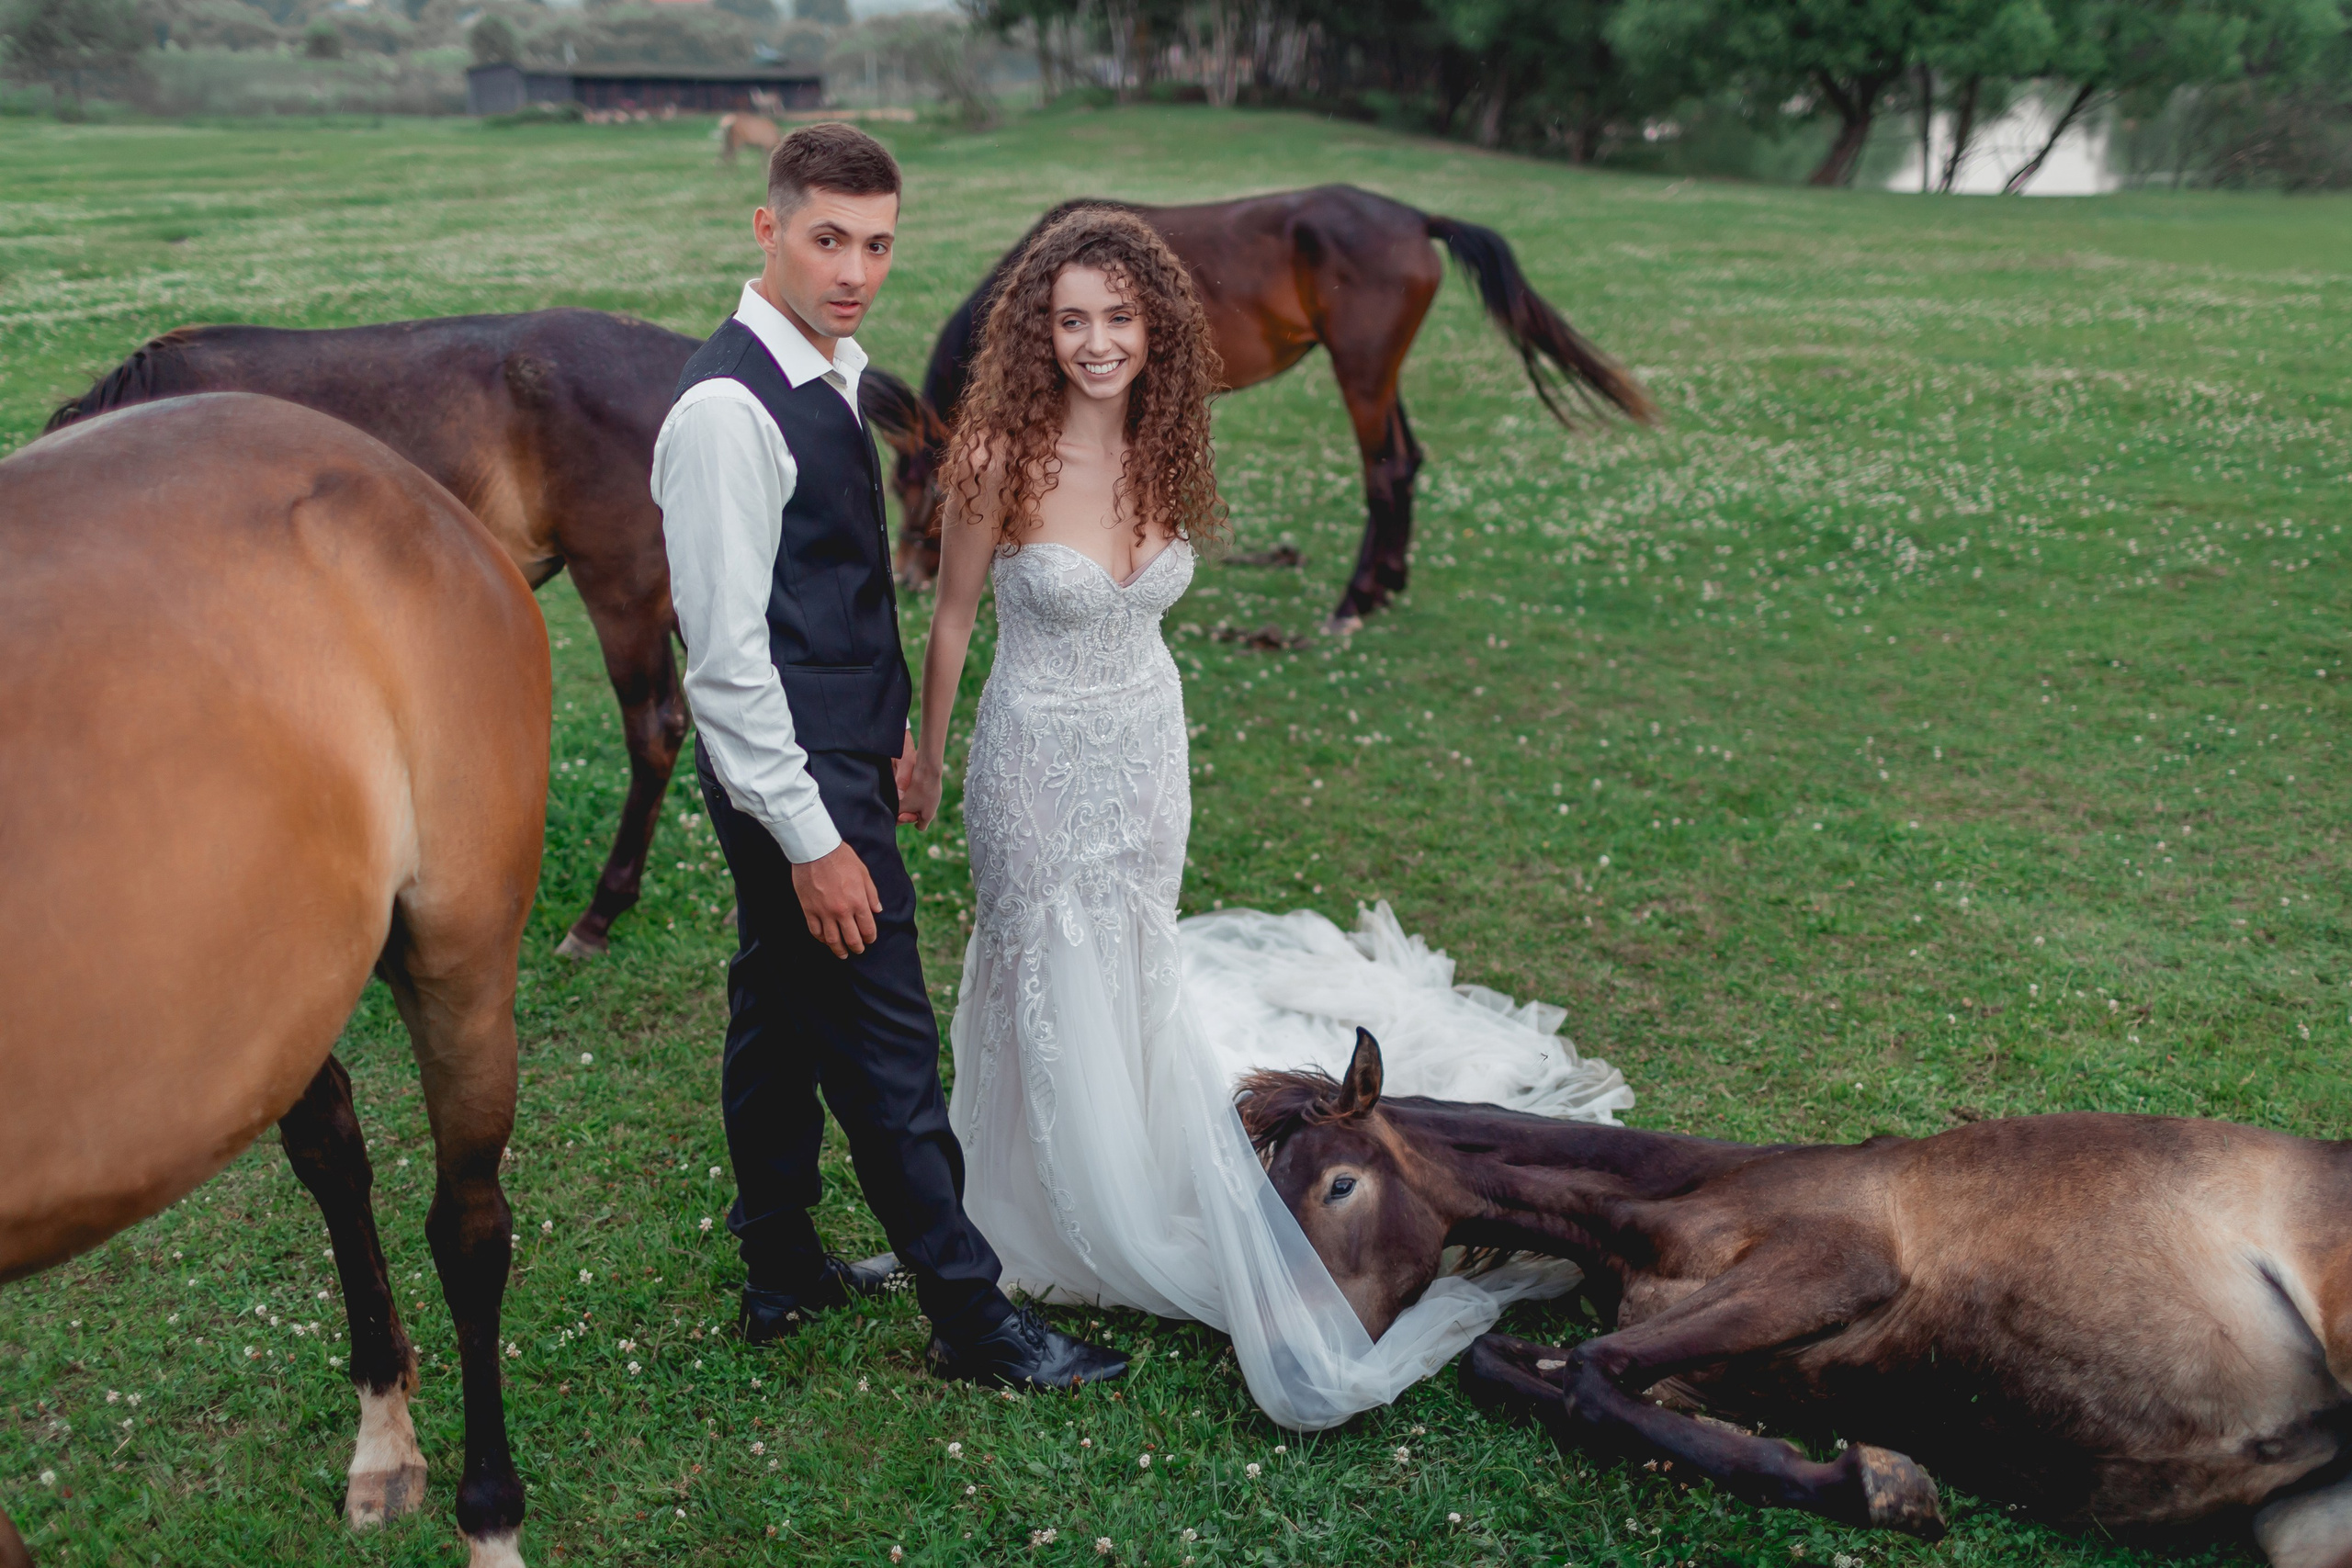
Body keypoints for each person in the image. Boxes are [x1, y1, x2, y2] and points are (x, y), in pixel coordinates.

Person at [899, 205, 1635, 1430]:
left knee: (1136, 957)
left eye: (1118, 320)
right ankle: (1034, 1201)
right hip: (1036, 754)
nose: (1095, 344)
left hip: (1147, 747)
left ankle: (1134, 1143)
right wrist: (925, 754)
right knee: (1038, 960)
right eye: (1071, 321)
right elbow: (955, 622)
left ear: (1155, 329)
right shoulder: (991, 454)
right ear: (1038, 333)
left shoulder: (1168, 442)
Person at [651, 122, 1125, 1391]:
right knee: (887, 1049)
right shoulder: (722, 415)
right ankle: (976, 1320)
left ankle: (782, 1265)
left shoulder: (829, 373)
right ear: (768, 231)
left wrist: (903, 734)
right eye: (827, 239)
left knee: (774, 1008)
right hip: (794, 781)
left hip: (840, 753)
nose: (855, 267)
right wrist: (815, 841)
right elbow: (730, 662)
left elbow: (833, 601)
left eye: (877, 243)